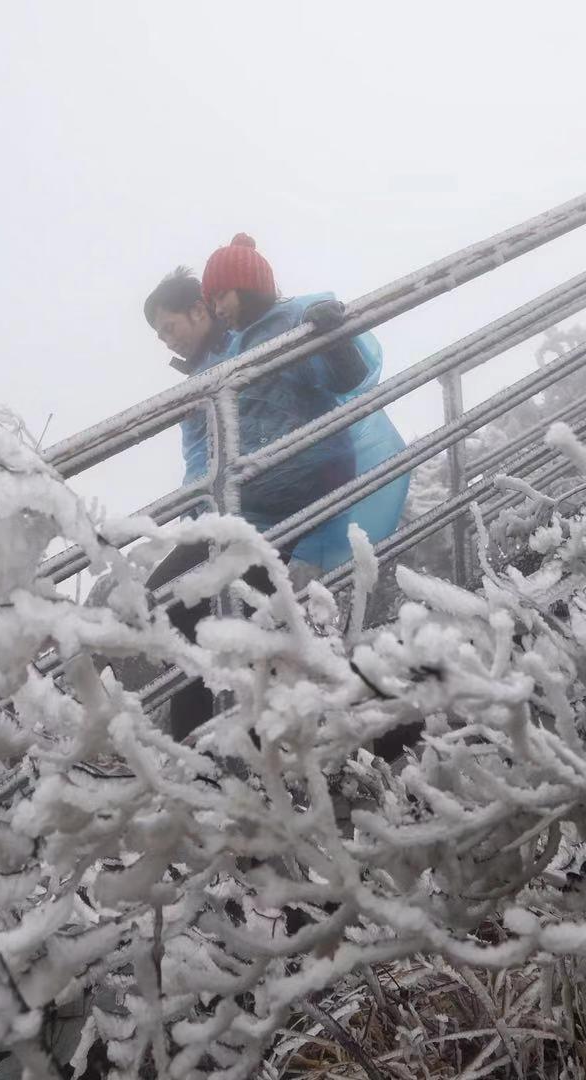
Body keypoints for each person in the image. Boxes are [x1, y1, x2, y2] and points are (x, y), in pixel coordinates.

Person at [139, 236, 411, 738]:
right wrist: (198, 517)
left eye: (170, 326)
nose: (168, 341)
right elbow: (201, 458)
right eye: (160, 336)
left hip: (282, 500)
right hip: (244, 508)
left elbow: (341, 374)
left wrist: (336, 334)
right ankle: (227, 742)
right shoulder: (202, 375)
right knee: (200, 618)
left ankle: (227, 747)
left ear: (201, 309)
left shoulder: (256, 334)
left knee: (196, 614)